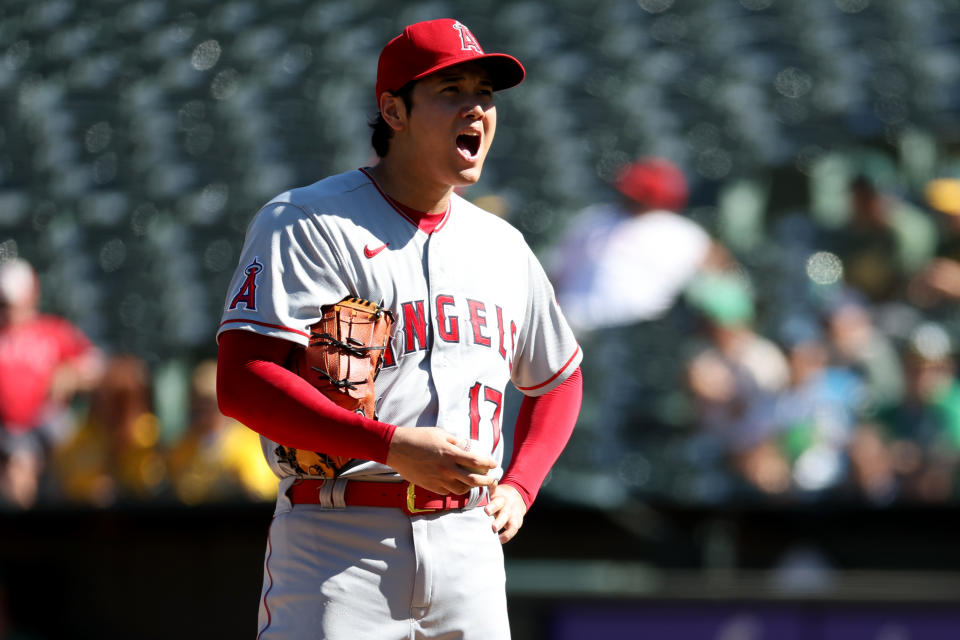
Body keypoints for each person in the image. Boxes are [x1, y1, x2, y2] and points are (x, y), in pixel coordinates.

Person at [216, 18, 583, 640]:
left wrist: (520, 486)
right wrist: (388, 446)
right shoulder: (309, 221)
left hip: (468, 541)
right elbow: (244, 380)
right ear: (393, 110)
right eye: (451, 92)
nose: (476, 110)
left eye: (485, 95)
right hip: (339, 539)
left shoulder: (503, 246)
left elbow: (560, 378)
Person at [0, 257, 102, 508]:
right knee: (19, 467)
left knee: (79, 458)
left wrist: (70, 375)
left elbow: (95, 365)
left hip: (50, 418)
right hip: (10, 428)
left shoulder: (53, 331)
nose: (8, 308)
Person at [165, 359, 276, 505]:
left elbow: (260, 491)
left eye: (210, 403)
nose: (203, 412)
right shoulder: (183, 447)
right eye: (198, 403)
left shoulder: (248, 444)